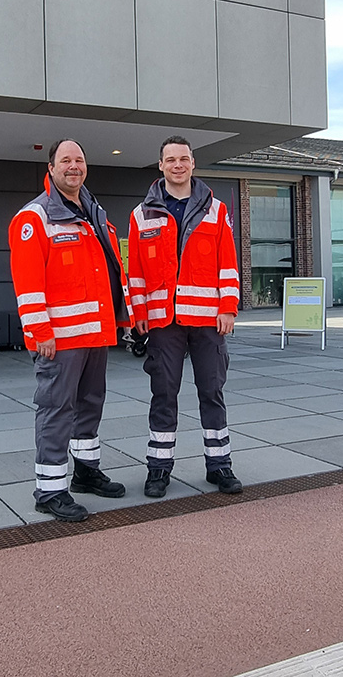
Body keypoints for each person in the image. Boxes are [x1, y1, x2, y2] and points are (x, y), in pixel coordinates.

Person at [9, 138, 133, 522]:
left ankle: (85, 472)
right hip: (59, 340)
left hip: (95, 334)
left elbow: (110, 272)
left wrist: (122, 319)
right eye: (66, 160)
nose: (73, 166)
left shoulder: (94, 214)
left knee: (90, 405)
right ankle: (49, 489)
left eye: (79, 160)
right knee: (56, 410)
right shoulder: (35, 219)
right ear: (51, 168)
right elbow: (28, 285)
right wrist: (39, 332)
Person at [127, 136, 242, 498]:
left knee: (212, 392)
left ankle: (219, 465)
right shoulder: (140, 214)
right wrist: (139, 314)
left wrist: (228, 307)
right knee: (163, 393)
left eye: (184, 159)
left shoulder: (217, 210)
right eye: (170, 160)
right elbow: (137, 273)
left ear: (193, 164)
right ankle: (159, 470)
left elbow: (228, 263)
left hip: (208, 319)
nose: (178, 165)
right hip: (163, 321)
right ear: (160, 166)